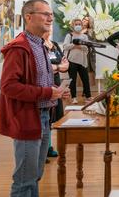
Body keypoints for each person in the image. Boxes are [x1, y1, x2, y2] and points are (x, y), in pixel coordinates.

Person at [0, 0, 70, 196]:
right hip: (27, 119)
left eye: (51, 14)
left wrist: (56, 89)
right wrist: (47, 92)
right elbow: (8, 86)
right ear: (28, 17)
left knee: (35, 175)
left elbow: (39, 82)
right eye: (44, 14)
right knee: (24, 180)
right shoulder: (19, 48)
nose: (50, 18)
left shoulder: (40, 45)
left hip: (44, 117)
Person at [43, 29, 69, 159]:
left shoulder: (54, 44)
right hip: (45, 83)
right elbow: (44, 66)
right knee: (45, 116)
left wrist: (59, 66)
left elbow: (64, 62)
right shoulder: (39, 46)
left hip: (56, 81)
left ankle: (48, 147)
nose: (50, 29)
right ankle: (43, 150)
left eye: (51, 26)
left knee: (53, 117)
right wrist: (58, 66)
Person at [63, 18, 91, 104]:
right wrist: (75, 44)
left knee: (85, 79)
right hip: (72, 61)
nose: (78, 26)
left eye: (79, 24)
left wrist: (78, 46)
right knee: (73, 80)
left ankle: (88, 97)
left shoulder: (85, 36)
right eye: (76, 24)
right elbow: (65, 46)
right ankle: (74, 97)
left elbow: (87, 48)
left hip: (83, 61)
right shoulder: (69, 35)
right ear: (73, 25)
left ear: (82, 26)